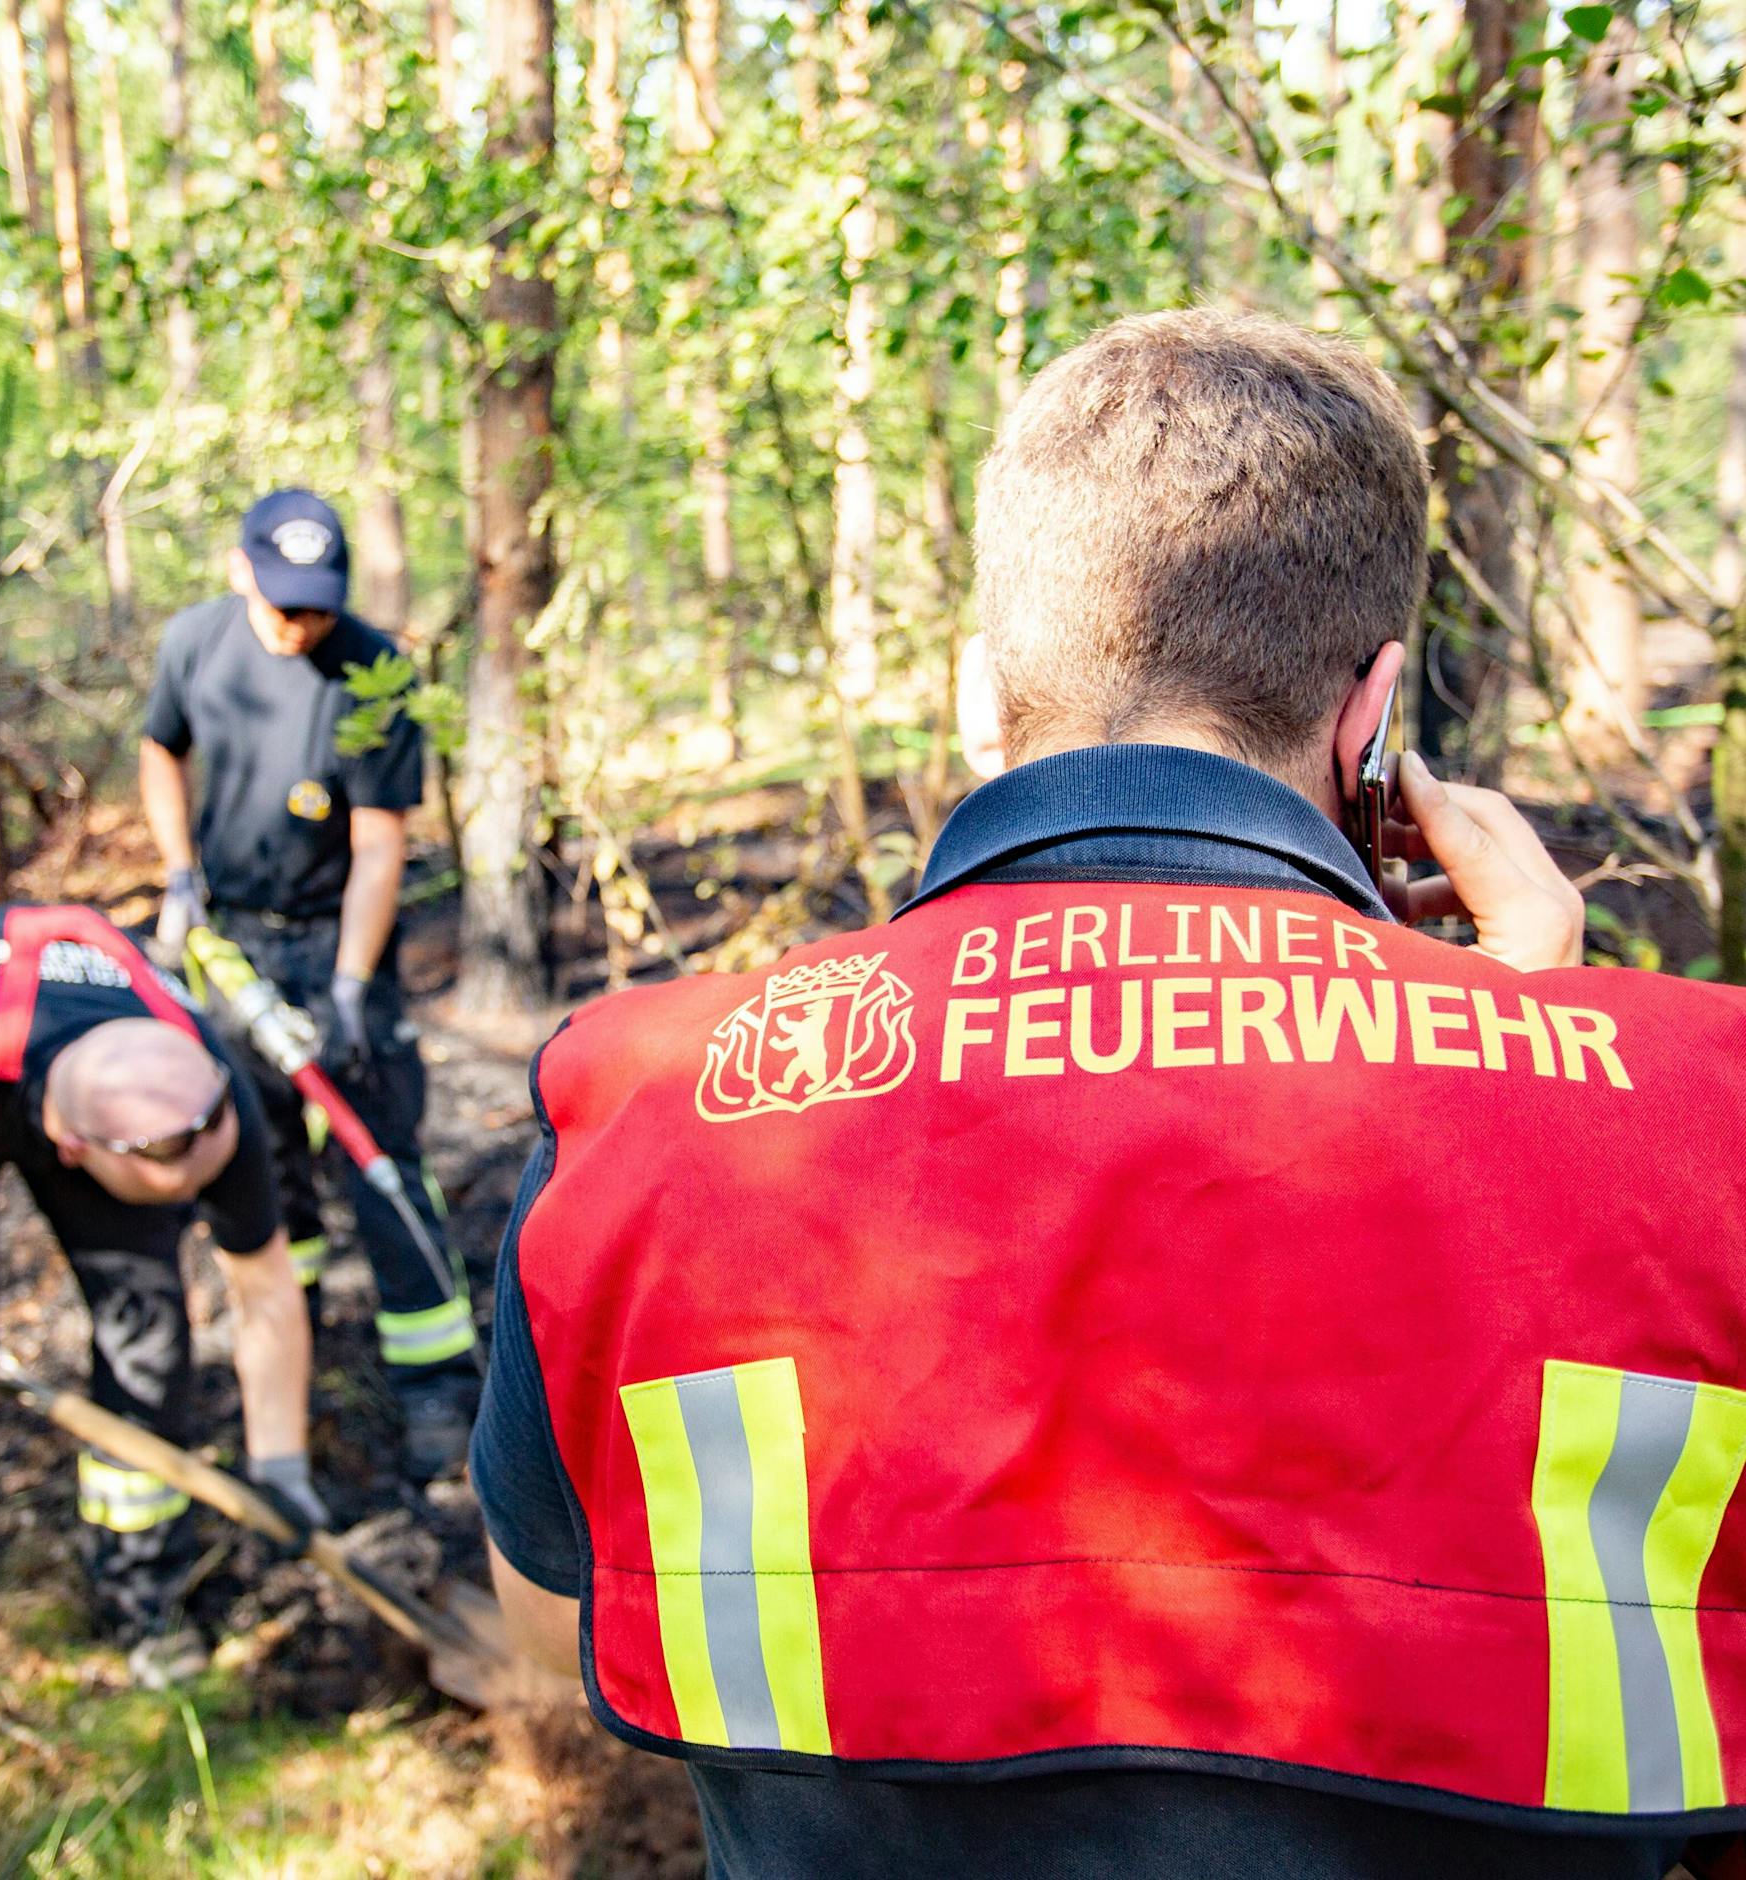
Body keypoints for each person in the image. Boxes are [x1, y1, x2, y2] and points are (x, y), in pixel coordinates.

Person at [469, 311, 1746, 1879]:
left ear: (980, 698)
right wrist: (1549, 1064)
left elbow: (549, 1627)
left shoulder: (656, 1111)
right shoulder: (1705, 1123)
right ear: (1373, 717)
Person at [0, 904, 322, 1685]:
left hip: (88, 1083)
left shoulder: (206, 1101)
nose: (194, 1203)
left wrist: (281, 1466)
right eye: (172, 1192)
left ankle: (141, 1595)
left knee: (148, 1343)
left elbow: (267, 1291)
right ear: (73, 1149)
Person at [139, 489, 478, 1485]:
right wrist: (179, 872)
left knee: (379, 1152)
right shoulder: (197, 643)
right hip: (231, 940)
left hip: (338, 937)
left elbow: (378, 847)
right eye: (285, 605)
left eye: (319, 607)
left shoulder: (372, 672)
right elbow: (160, 749)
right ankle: (296, 1333)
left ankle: (435, 1387)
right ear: (240, 570)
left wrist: (349, 988)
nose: (301, 626)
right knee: (258, 1150)